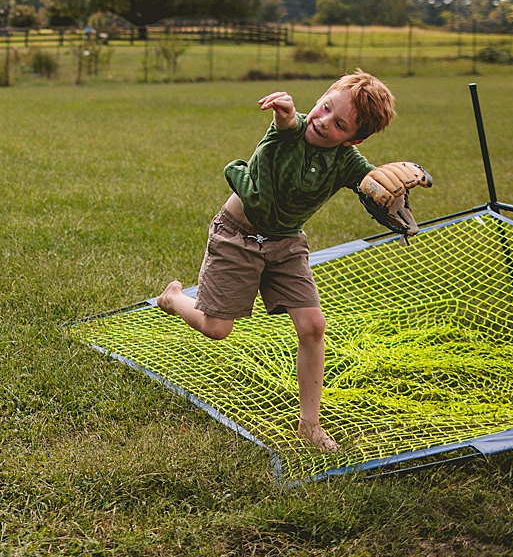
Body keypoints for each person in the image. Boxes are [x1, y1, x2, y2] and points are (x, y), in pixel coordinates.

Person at [155, 70, 402, 453]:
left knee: (313, 326)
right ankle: (173, 299)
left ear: (353, 138)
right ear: (320, 98)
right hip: (237, 234)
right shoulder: (291, 129)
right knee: (218, 329)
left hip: (285, 242)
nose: (321, 122)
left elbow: (372, 184)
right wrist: (284, 112)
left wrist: (390, 195)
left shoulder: (347, 160)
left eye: (338, 125)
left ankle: (309, 424)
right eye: (323, 108)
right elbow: (287, 124)